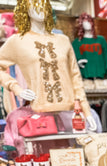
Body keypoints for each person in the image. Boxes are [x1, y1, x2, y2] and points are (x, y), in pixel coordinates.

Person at [0, 0, 97, 132]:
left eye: (43, 3)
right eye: (34, 3)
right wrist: (16, 88)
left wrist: (87, 112)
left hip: (70, 114)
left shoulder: (63, 40)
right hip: (40, 117)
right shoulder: (18, 41)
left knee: (70, 152)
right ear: (25, 8)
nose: (39, 8)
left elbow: (76, 78)